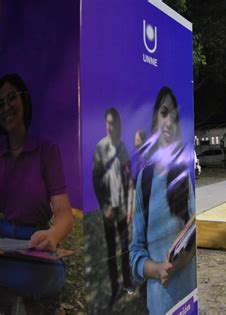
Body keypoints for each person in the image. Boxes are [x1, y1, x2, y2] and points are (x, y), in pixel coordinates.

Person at [0, 74, 74, 310]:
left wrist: (53, 236)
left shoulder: (46, 150)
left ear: (25, 101)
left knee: (49, 277)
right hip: (3, 238)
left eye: (11, 98)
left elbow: (64, 214)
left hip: (35, 241)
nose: (6, 107)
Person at [130, 86, 196, 315]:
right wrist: (157, 269)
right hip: (159, 305)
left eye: (175, 118)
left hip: (189, 296)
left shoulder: (184, 173)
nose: (169, 123)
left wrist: (186, 256)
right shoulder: (144, 179)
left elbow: (195, 229)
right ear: (155, 118)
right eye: (164, 113)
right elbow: (135, 252)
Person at [92, 107, 134, 308]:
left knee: (125, 247)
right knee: (110, 250)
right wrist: (104, 205)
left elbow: (128, 179)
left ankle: (127, 283)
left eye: (113, 123)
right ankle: (115, 287)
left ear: (118, 125)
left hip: (122, 208)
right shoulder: (100, 148)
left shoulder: (123, 148)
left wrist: (128, 206)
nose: (110, 126)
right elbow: (96, 179)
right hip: (109, 209)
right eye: (107, 122)